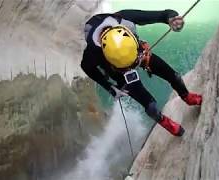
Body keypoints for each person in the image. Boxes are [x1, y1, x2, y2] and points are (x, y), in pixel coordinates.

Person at [81, 9, 202, 137]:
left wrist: (171, 18)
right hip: (120, 69)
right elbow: (87, 68)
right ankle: (165, 122)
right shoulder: (93, 53)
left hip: (138, 54)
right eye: (127, 67)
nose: (132, 68)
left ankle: (187, 96)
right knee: (151, 107)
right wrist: (110, 87)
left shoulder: (125, 19)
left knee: (174, 77)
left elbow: (162, 14)